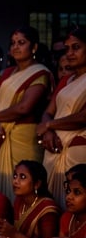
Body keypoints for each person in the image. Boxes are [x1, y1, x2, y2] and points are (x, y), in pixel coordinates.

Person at [0, 26, 52, 202]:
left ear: (34, 47)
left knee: (24, 183)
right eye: (13, 43)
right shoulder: (7, 73)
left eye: (21, 43)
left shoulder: (40, 73)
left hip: (23, 137)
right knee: (1, 182)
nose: (16, 47)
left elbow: (24, 108)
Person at [38, 26, 86, 210]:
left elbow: (83, 117)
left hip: (78, 149)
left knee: (77, 202)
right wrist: (48, 131)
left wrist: (49, 125)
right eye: (67, 49)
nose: (70, 53)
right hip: (54, 148)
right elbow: (48, 110)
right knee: (53, 204)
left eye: (76, 47)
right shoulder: (67, 80)